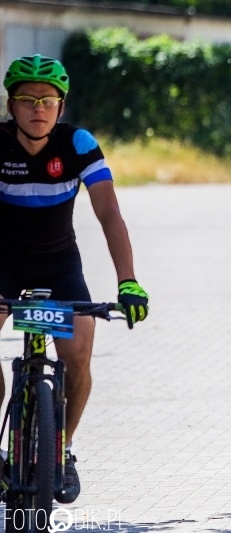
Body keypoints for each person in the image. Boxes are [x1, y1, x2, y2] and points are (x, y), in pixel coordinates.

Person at [0, 54, 149, 502]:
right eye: (27, 99)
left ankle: (60, 450)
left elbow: (108, 214)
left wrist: (128, 281)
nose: (38, 108)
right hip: (2, 263)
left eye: (48, 100)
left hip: (58, 264)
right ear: (11, 105)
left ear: (61, 107)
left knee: (79, 354)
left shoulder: (78, 144)